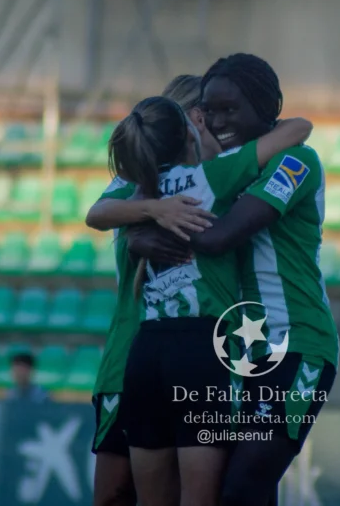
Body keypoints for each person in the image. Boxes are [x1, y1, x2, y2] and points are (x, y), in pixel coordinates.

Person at [126, 54, 339, 506]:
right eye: (210, 110)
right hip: (238, 353)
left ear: (262, 106)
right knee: (240, 491)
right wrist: (142, 230)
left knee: (242, 487)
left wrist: (151, 228)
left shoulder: (296, 161)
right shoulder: (218, 169)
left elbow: (220, 237)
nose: (219, 121)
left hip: (296, 344)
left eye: (230, 109)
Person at [84, 75, 222, 506]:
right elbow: (97, 213)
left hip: (194, 352)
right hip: (130, 352)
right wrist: (148, 216)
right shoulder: (137, 178)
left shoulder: (213, 179)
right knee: (115, 493)